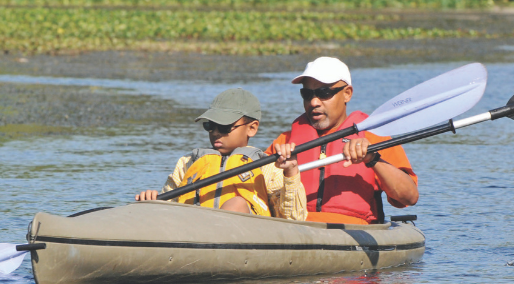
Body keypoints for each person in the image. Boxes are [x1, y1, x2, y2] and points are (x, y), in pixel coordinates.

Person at [267, 57, 418, 225]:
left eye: (324, 93)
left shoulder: (374, 139)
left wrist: (373, 159)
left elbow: (409, 197)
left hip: (354, 233)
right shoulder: (284, 143)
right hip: (297, 229)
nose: (314, 102)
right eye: (307, 94)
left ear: (347, 94)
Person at [136, 88, 307, 221]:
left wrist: (291, 172)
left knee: (236, 204)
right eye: (210, 126)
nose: (216, 132)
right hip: (192, 230)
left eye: (224, 127)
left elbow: (293, 219)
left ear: (252, 128)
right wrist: (153, 201)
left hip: (248, 237)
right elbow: (167, 210)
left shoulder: (268, 167)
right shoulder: (188, 162)